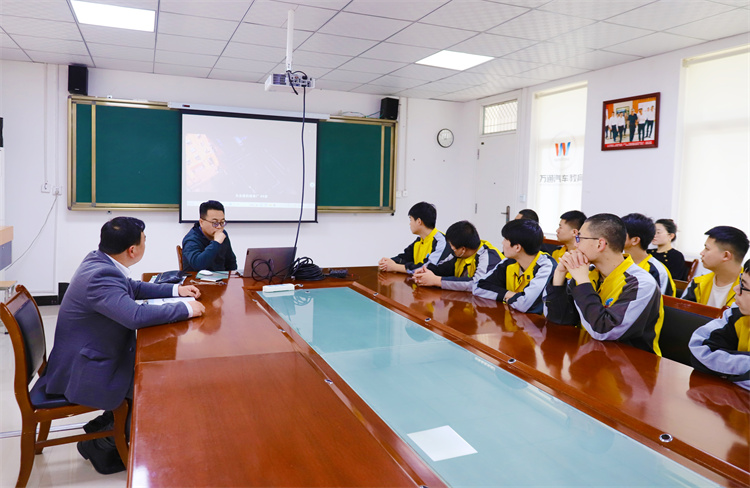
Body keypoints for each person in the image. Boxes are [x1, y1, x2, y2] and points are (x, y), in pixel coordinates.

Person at [44, 217, 205, 474]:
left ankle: (111, 430)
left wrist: (176, 291)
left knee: (154, 368)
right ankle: (106, 443)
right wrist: (186, 309)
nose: (145, 244)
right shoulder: (100, 276)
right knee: (154, 380)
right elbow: (135, 316)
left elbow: (132, 288)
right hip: (85, 368)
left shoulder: (99, 261)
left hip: (87, 353)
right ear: (132, 250)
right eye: (144, 241)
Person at [543, 213, 664, 355]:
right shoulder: (589, 273)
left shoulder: (641, 283)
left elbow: (604, 331)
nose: (575, 244)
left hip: (630, 362)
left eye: (579, 238)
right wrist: (560, 273)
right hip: (589, 353)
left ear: (600, 244)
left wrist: (582, 282)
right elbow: (559, 318)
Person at [689, 259, 750, 390]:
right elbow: (700, 350)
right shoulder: (737, 313)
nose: (736, 289)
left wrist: (726, 369)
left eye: (744, 286)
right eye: (740, 281)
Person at [475, 219, 556, 314]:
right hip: (514, 317)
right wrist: (509, 295)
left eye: (505, 239)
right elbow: (478, 287)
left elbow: (524, 304)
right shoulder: (510, 261)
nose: (502, 243)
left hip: (538, 322)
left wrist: (506, 297)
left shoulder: (546, 266)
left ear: (517, 247)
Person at [413, 220, 503, 292]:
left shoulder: (487, 255)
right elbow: (442, 267)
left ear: (463, 249)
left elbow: (476, 284)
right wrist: (424, 271)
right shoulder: (458, 254)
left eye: (452, 246)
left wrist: (437, 281)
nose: (451, 248)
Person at [682, 226, 749, 308]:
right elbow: (681, 311)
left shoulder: (747, 288)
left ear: (725, 255)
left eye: (707, 249)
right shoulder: (699, 281)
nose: (702, 253)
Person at [378, 202, 451, 274]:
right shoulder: (420, 240)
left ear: (419, 221)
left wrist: (395, 267)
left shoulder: (441, 241)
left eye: (411, 220)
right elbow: (406, 257)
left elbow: (426, 268)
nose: (410, 224)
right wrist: (387, 262)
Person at [622, 213, 676, 297]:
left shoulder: (657, 271)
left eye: (621, 233)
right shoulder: (618, 262)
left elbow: (659, 302)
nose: (614, 236)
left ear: (635, 240)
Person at [182, 200, 237, 272]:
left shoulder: (223, 234)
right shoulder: (191, 239)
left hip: (221, 278)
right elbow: (198, 265)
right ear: (201, 222)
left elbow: (231, 263)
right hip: (196, 278)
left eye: (222, 222)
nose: (219, 227)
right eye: (215, 223)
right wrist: (216, 243)